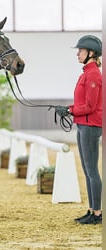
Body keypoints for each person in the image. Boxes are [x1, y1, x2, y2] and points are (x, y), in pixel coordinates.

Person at [55, 35, 102, 225]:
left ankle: (98, 213)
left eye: (80, 51)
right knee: (87, 169)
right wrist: (69, 109)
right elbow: (83, 104)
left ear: (90, 53)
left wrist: (69, 110)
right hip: (83, 125)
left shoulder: (93, 75)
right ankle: (92, 210)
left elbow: (90, 106)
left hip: (91, 126)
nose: (77, 54)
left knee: (92, 171)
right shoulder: (85, 73)